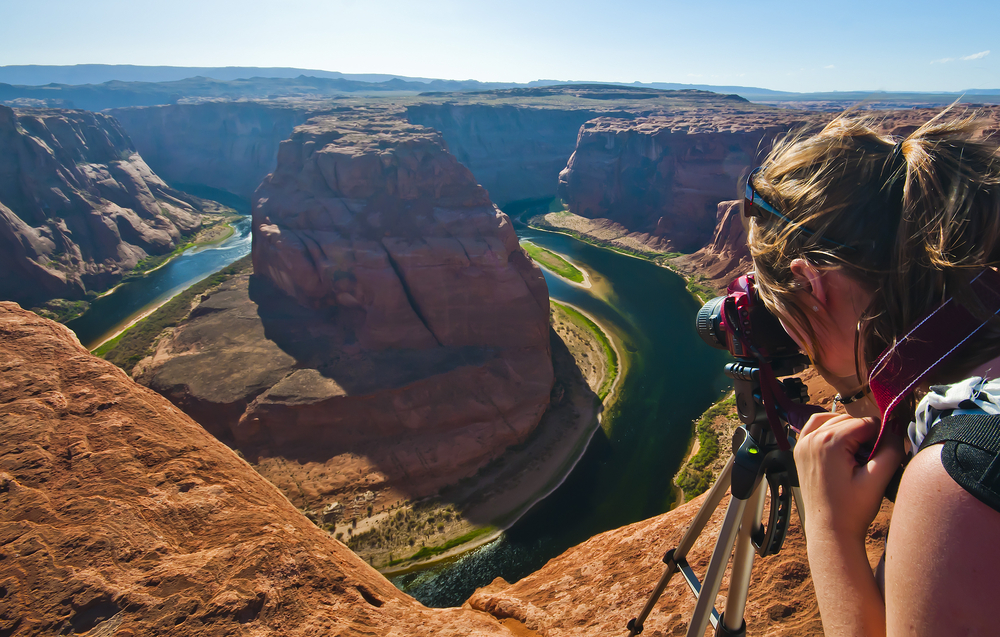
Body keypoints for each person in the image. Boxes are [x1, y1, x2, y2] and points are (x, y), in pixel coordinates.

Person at [743, 108, 1000, 636]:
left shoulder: (962, 476)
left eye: (785, 317)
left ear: (812, 284)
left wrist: (828, 530)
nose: (794, 341)